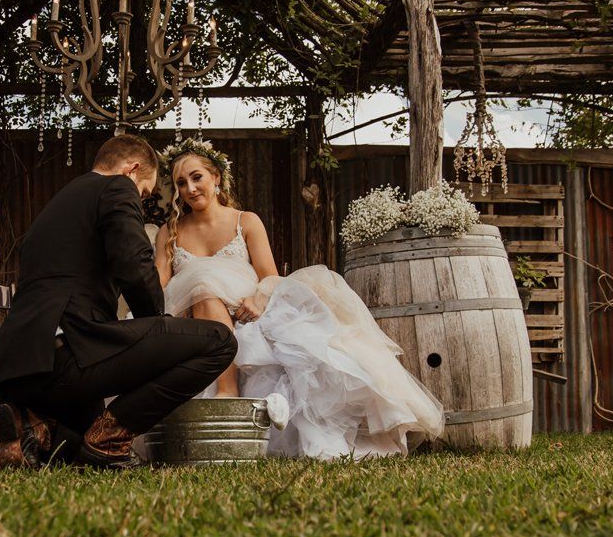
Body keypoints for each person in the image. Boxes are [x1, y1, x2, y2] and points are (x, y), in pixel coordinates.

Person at [153, 137, 444, 459]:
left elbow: (269, 274)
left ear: (216, 178)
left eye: (197, 177)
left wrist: (259, 300)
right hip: (195, 315)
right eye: (181, 183)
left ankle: (238, 396)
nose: (191, 188)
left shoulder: (244, 221)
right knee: (204, 287)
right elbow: (158, 284)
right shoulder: (171, 231)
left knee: (314, 349)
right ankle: (226, 391)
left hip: (245, 306)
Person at [0, 133, 237, 469]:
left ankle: (27, 431)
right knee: (219, 341)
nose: (140, 198)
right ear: (132, 170)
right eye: (144, 192)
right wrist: (157, 327)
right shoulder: (117, 187)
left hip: (18, 367)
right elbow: (134, 267)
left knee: (75, 446)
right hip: (63, 355)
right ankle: (110, 438)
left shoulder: (59, 205)